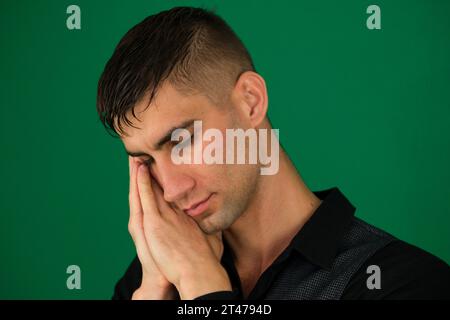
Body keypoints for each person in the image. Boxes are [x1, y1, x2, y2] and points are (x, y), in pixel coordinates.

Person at [96, 6, 450, 300]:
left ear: (250, 101)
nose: (171, 189)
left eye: (182, 140)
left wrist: (203, 286)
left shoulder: (402, 282)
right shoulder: (152, 278)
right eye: (145, 161)